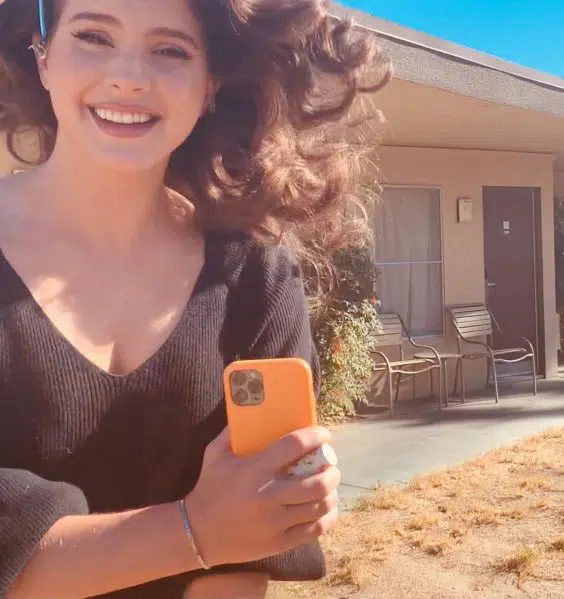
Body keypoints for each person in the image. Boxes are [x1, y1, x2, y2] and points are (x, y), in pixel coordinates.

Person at [0, 0, 391, 597]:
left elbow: (254, 544)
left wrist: (269, 510)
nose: (129, 76)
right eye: (94, 37)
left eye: (170, 50)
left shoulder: (255, 275)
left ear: (209, 83)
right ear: (43, 56)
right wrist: (197, 531)